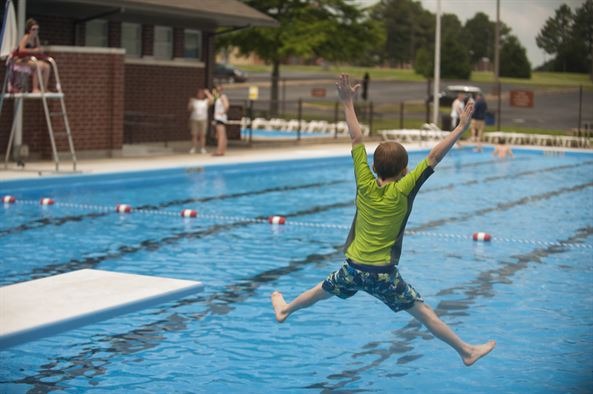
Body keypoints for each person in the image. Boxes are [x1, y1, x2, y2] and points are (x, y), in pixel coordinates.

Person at [271, 74, 496, 367]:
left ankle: (286, 310)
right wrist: (460, 128)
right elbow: (432, 157)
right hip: (383, 275)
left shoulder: (364, 181)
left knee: (321, 291)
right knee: (424, 312)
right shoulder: (404, 189)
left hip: (353, 269)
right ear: (404, 170)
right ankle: (466, 351)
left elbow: (356, 137)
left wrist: (347, 102)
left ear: (374, 167)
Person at [17, 18, 50, 93]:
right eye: (33, 29)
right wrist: (33, 51)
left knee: (47, 66)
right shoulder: (26, 37)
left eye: (37, 29)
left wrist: (40, 50)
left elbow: (38, 50)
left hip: (29, 60)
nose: (36, 31)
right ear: (29, 30)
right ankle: (35, 89)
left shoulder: (35, 38)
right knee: (39, 65)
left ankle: (44, 88)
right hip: (21, 60)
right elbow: (21, 50)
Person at [188, 88, 213, 154]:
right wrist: (190, 103)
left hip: (203, 119)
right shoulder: (194, 101)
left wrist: (207, 93)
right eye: (199, 93)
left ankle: (202, 148)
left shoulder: (205, 101)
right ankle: (193, 148)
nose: (200, 95)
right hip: (194, 119)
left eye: (202, 94)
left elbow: (212, 100)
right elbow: (189, 109)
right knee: (194, 134)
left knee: (202, 135)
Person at [212, 84, 229, 156]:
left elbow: (227, 105)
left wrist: (222, 112)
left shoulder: (222, 96)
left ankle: (219, 150)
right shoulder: (218, 97)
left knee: (220, 135)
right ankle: (222, 150)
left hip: (220, 118)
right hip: (219, 117)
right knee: (221, 135)